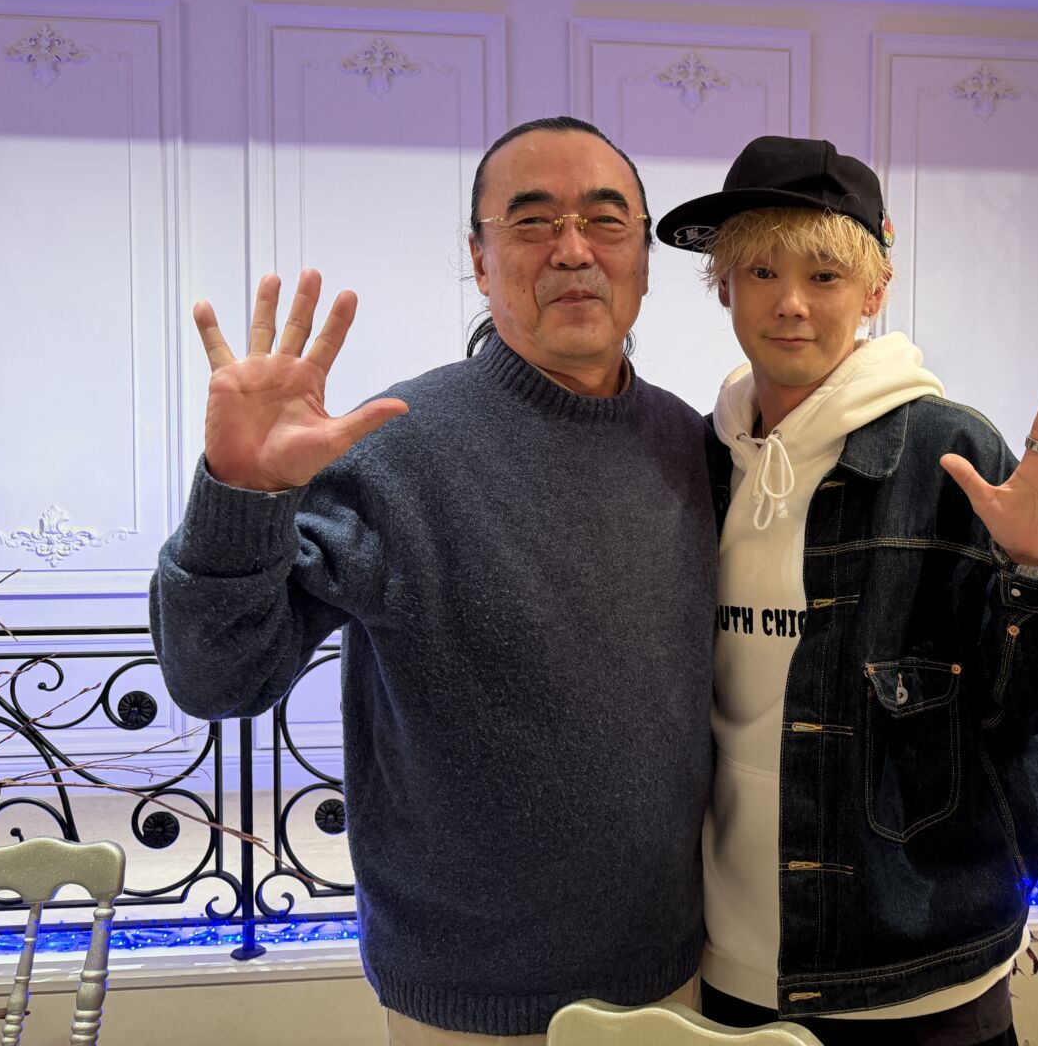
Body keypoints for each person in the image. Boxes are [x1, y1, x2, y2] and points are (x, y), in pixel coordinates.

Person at [149, 117, 718, 1044]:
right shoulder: (400, 447)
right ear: (480, 261)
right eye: (532, 221)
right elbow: (217, 678)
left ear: (644, 260)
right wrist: (240, 493)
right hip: (463, 997)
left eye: (605, 221)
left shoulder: (690, 447)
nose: (573, 249)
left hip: (670, 978)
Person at [656, 136, 1038, 1046]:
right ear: (722, 285)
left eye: (824, 275)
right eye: (762, 270)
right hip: (729, 962)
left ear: (874, 290)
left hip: (922, 966)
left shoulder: (949, 453)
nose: (790, 303)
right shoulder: (698, 461)